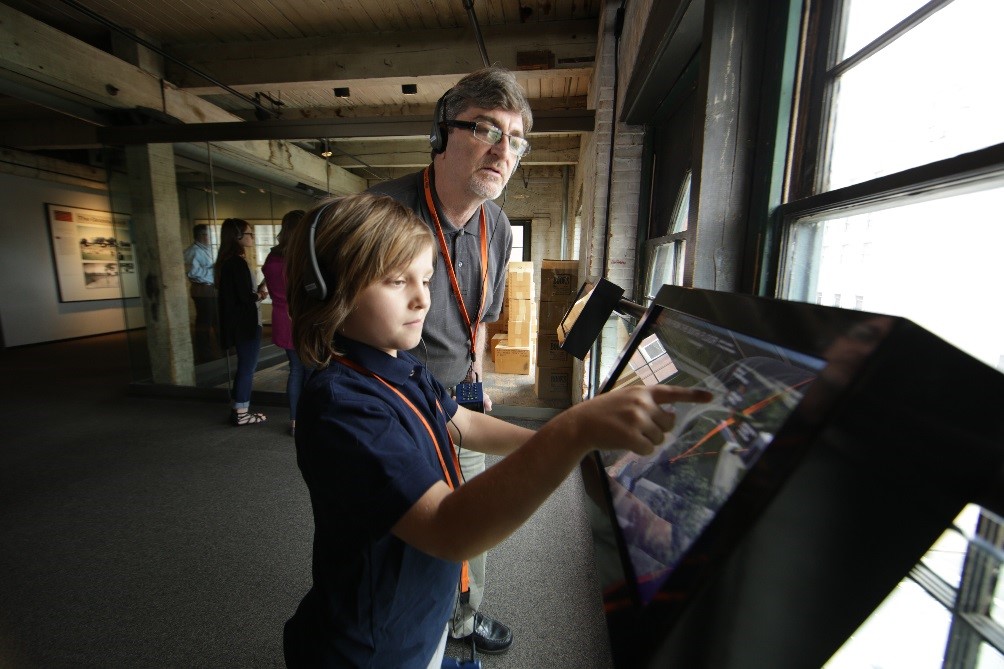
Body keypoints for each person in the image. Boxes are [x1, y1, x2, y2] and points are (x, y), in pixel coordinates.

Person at [280, 193, 712, 668]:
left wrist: (567, 449)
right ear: (329, 290)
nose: (423, 297)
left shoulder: (400, 364)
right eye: (396, 280)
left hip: (420, 618)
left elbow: (460, 422)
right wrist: (569, 433)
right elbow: (449, 529)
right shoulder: (345, 407)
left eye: (426, 278)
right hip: (375, 647)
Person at [367, 65, 528, 653]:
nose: (502, 150)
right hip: (394, 401)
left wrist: (475, 374)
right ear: (441, 134)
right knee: (398, 534)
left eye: (515, 139)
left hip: (458, 398)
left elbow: (481, 316)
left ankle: (462, 616)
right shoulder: (383, 211)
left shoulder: (499, 225)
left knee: (473, 518)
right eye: (487, 129)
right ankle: (404, 626)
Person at [261, 209, 311, 436]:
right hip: (305, 321)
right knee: (312, 373)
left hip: (282, 320)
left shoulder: (272, 259)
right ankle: (314, 420)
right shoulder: (303, 259)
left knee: (295, 371)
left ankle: (295, 421)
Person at [215, 217, 268, 426]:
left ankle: (239, 408)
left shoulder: (226, 262)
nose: (252, 237)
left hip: (237, 323)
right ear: (237, 236)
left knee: (244, 366)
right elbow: (245, 297)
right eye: (249, 233)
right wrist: (260, 295)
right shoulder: (237, 263)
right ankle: (242, 411)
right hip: (245, 323)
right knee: (248, 367)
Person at [183, 224, 219, 362]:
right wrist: (213, 270)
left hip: (211, 289)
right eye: (209, 234)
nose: (210, 238)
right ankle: (205, 354)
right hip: (203, 290)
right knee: (205, 323)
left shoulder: (207, 250)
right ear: (201, 236)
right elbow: (193, 272)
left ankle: (219, 349)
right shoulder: (193, 251)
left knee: (216, 321)